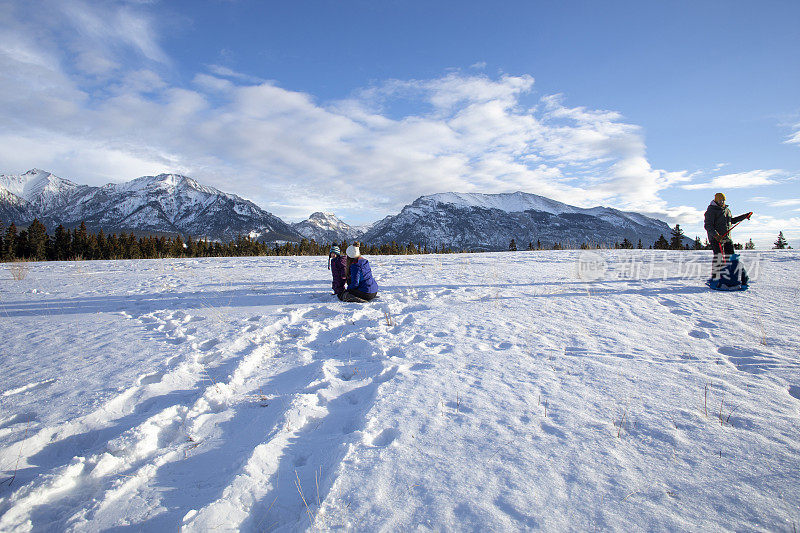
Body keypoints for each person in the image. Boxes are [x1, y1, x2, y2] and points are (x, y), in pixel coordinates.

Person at [704, 193, 752, 280]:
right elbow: (708, 226)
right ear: (715, 200)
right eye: (719, 201)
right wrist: (716, 235)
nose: (721, 202)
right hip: (716, 239)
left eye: (723, 200)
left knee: (732, 257)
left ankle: (733, 276)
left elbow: (732, 220)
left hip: (727, 238)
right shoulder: (711, 211)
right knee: (719, 257)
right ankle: (716, 278)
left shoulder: (727, 210)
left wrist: (744, 216)